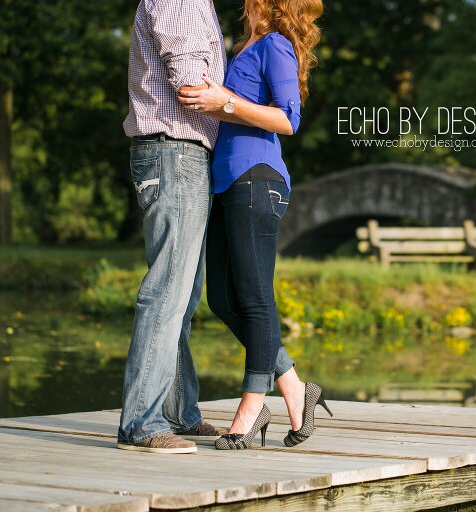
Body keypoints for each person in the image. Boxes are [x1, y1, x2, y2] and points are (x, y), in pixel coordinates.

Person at [176, 0, 329, 450]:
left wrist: (225, 99)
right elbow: (234, 112)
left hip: (257, 179)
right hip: (225, 183)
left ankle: (251, 405)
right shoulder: (243, 46)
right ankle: (296, 387)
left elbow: (287, 119)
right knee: (222, 298)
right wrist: (212, 103)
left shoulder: (275, 46)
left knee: (256, 298)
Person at [117, 0, 228, 454]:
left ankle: (180, 412)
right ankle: (140, 423)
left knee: (184, 294)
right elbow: (189, 84)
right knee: (167, 291)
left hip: (182, 154)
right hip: (175, 151)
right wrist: (243, 105)